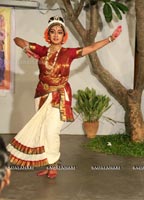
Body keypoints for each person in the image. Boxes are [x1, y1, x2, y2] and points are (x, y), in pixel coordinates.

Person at [6, 16, 122, 179]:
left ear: (63, 36)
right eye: (52, 32)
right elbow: (17, 40)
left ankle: (53, 165)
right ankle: (47, 164)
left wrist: (110, 38)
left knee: (52, 131)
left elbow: (91, 48)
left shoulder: (69, 53)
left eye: (59, 32)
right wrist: (26, 48)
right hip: (41, 95)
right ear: (48, 34)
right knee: (42, 131)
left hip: (59, 96)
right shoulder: (42, 50)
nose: (55, 35)